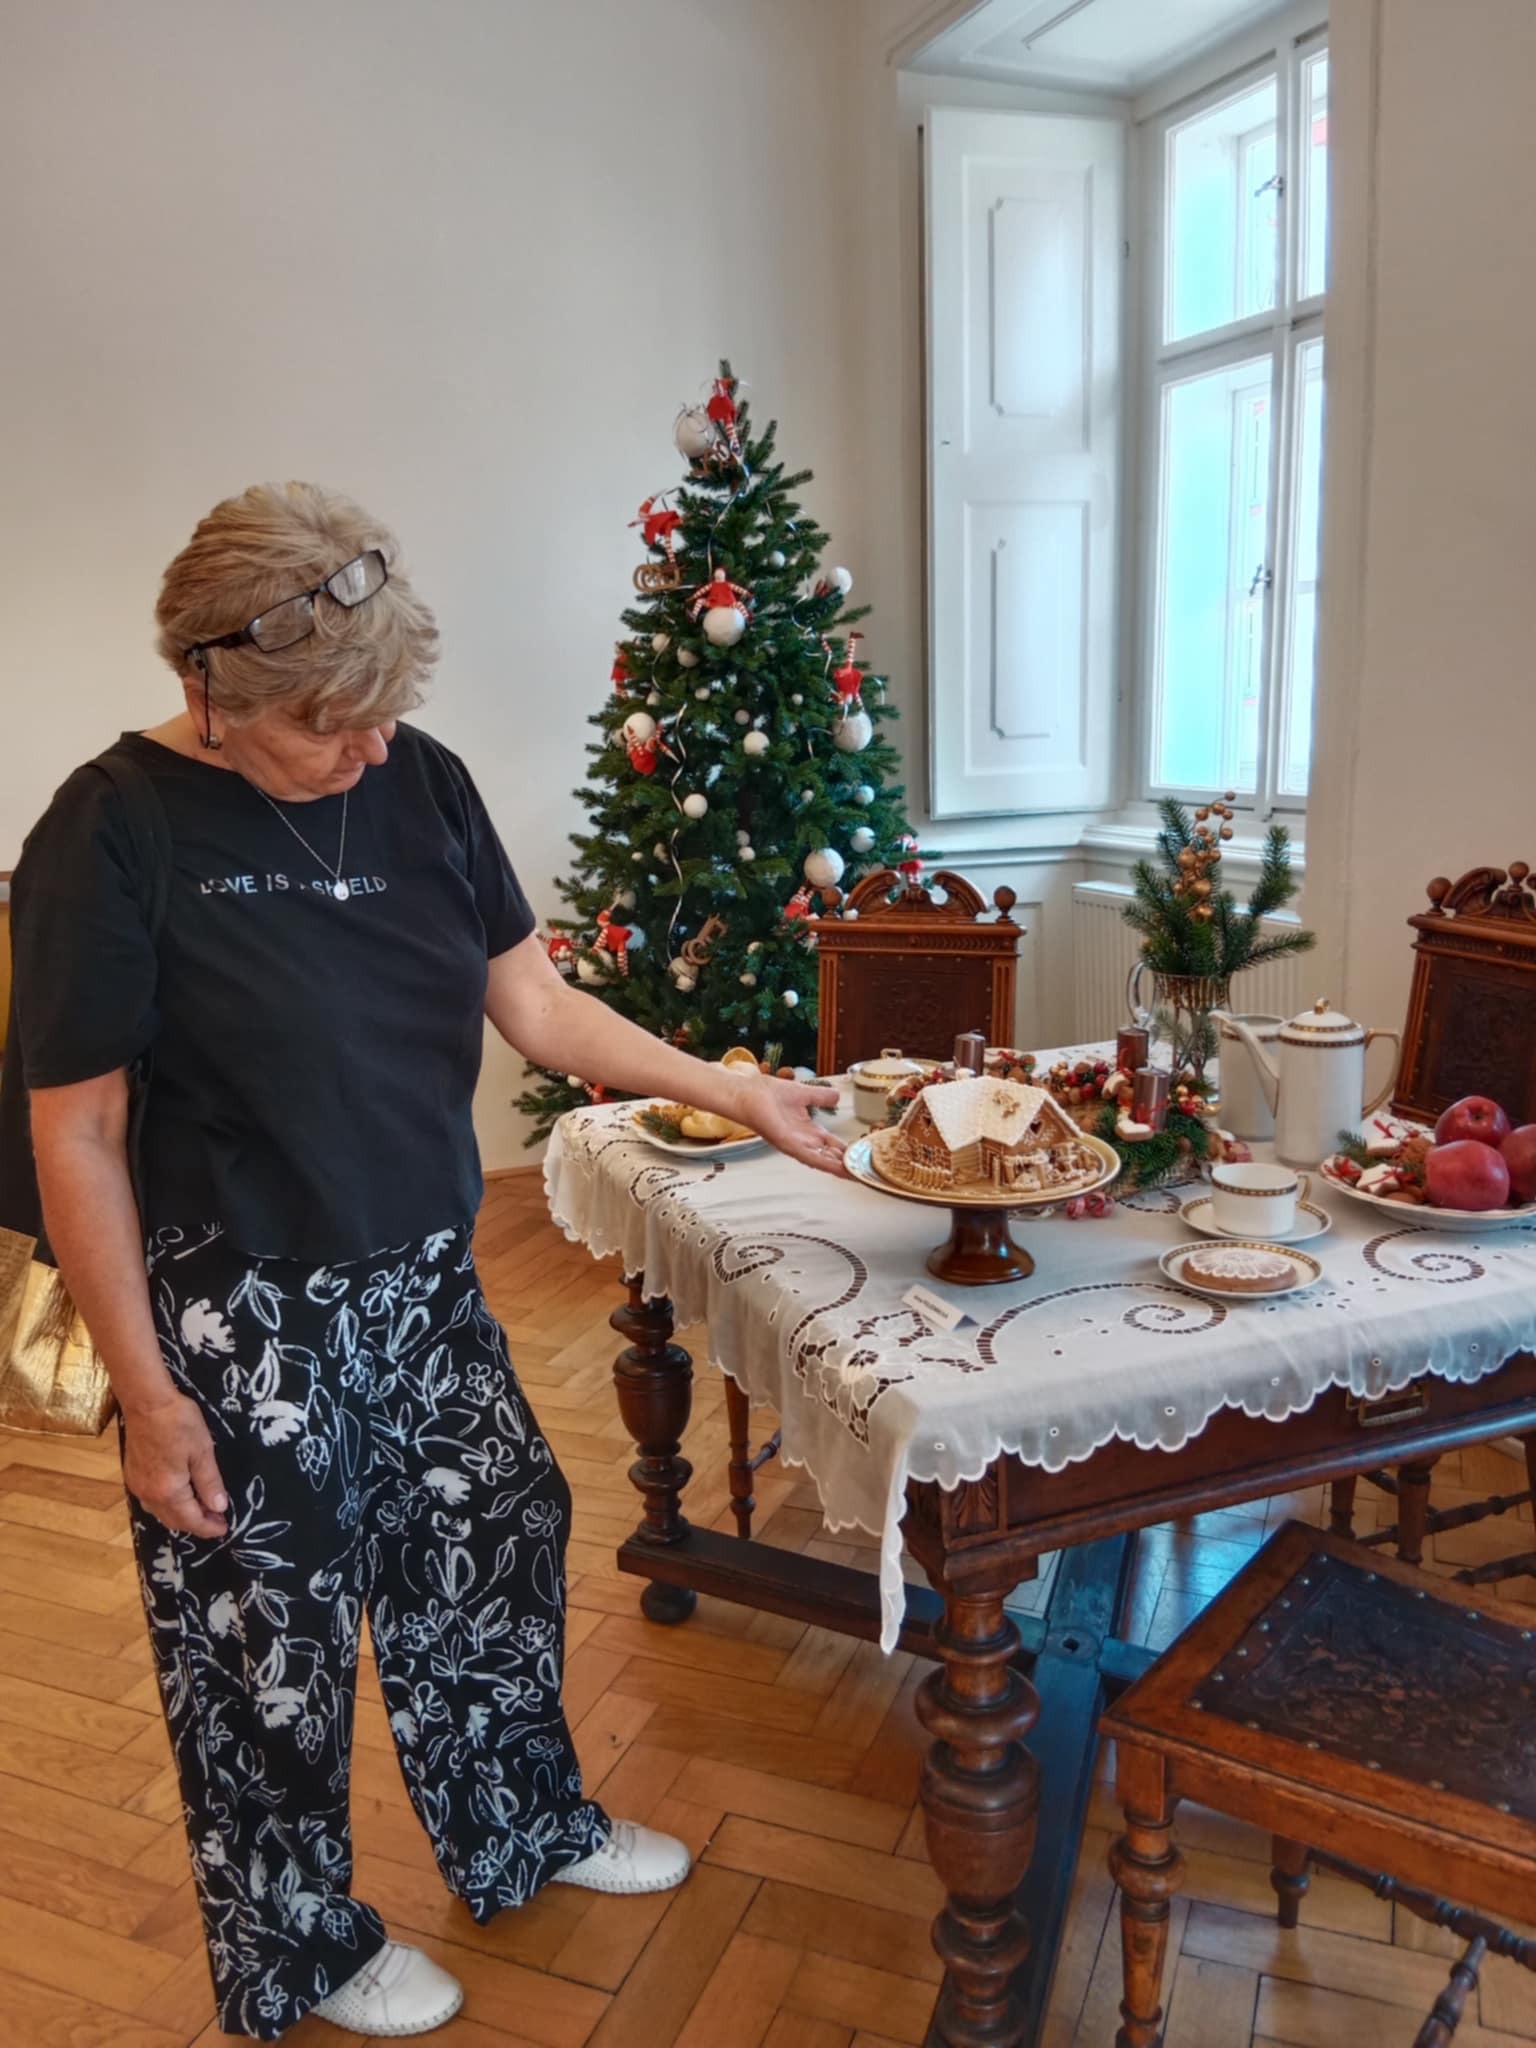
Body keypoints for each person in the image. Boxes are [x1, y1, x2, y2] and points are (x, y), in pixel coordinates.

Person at [8, 482, 846, 2041]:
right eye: (331, 721)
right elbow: (80, 1135)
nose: (371, 747)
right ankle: (305, 1949)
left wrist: (735, 1090)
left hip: (421, 1278)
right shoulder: (108, 833)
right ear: (209, 684)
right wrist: (150, 1394)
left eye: (385, 709)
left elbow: (537, 1006)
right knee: (267, 1643)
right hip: (235, 1308)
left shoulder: (424, 784)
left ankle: (520, 1823)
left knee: (498, 1529)